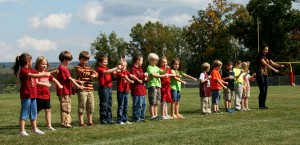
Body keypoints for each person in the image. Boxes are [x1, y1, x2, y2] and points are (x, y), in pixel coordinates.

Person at [13, 53, 50, 136]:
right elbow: (32, 75)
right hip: (26, 95)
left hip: (33, 95)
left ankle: (34, 129)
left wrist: (50, 72)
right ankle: (22, 131)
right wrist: (44, 74)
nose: (32, 62)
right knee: (25, 112)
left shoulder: (30, 69)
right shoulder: (23, 70)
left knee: (33, 113)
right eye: (31, 60)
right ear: (27, 61)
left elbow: (37, 73)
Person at [56, 51, 84, 128]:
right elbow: (70, 79)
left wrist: (78, 81)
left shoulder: (64, 68)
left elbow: (70, 78)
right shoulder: (62, 68)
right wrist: (78, 85)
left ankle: (67, 121)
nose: (70, 62)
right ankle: (65, 123)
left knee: (68, 106)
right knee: (65, 107)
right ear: (65, 60)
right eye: (69, 61)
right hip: (64, 91)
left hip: (67, 91)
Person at [35, 56, 63, 131]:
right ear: (38, 64)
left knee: (48, 110)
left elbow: (54, 79)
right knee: (36, 111)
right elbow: (36, 82)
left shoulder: (47, 73)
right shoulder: (36, 73)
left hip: (46, 95)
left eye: (46, 64)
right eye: (42, 64)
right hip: (38, 95)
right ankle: (34, 126)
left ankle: (49, 126)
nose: (44, 66)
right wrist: (45, 84)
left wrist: (59, 85)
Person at [74, 51, 98, 127]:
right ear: (79, 59)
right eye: (83, 60)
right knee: (82, 106)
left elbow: (96, 73)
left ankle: (90, 122)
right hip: (82, 89)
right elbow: (82, 73)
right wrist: (91, 76)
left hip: (90, 89)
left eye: (86, 60)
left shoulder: (89, 68)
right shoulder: (77, 67)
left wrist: (94, 75)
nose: (85, 62)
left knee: (90, 106)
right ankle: (81, 122)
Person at [256, 45, 284, 109]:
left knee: (265, 90)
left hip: (265, 74)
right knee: (262, 90)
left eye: (267, 50)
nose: (266, 51)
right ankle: (260, 105)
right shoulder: (260, 57)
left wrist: (280, 66)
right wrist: (274, 70)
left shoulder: (267, 57)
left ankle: (263, 105)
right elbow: (266, 64)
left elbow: (273, 63)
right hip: (260, 74)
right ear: (262, 50)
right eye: (265, 50)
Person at [147, 53, 173, 120]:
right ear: (150, 60)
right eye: (155, 60)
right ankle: (152, 116)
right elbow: (153, 75)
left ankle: (156, 115)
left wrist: (166, 69)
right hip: (152, 86)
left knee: (157, 102)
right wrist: (162, 75)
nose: (156, 62)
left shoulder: (156, 67)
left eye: (157, 60)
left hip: (158, 86)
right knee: (152, 102)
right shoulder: (149, 67)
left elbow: (163, 72)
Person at [96, 53, 121, 124]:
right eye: (104, 62)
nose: (105, 63)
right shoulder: (100, 69)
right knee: (104, 104)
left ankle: (109, 119)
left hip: (109, 88)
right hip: (103, 88)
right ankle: (103, 120)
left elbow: (114, 73)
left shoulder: (107, 68)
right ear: (99, 62)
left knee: (109, 104)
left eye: (106, 62)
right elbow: (106, 72)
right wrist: (116, 67)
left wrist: (119, 70)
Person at [130, 55, 148, 122]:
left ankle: (141, 117)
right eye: (142, 61)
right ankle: (136, 118)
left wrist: (146, 76)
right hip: (137, 90)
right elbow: (135, 77)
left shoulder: (140, 69)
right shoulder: (133, 69)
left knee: (143, 105)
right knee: (138, 105)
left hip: (142, 90)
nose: (142, 62)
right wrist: (141, 78)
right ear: (137, 60)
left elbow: (144, 79)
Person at [115, 60, 134, 124]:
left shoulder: (126, 71)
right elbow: (124, 77)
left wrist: (137, 78)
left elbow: (130, 75)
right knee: (121, 106)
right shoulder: (118, 72)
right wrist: (130, 81)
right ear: (119, 66)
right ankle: (119, 120)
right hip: (120, 91)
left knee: (125, 106)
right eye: (122, 65)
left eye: (125, 65)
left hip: (126, 91)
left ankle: (125, 119)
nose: (124, 67)